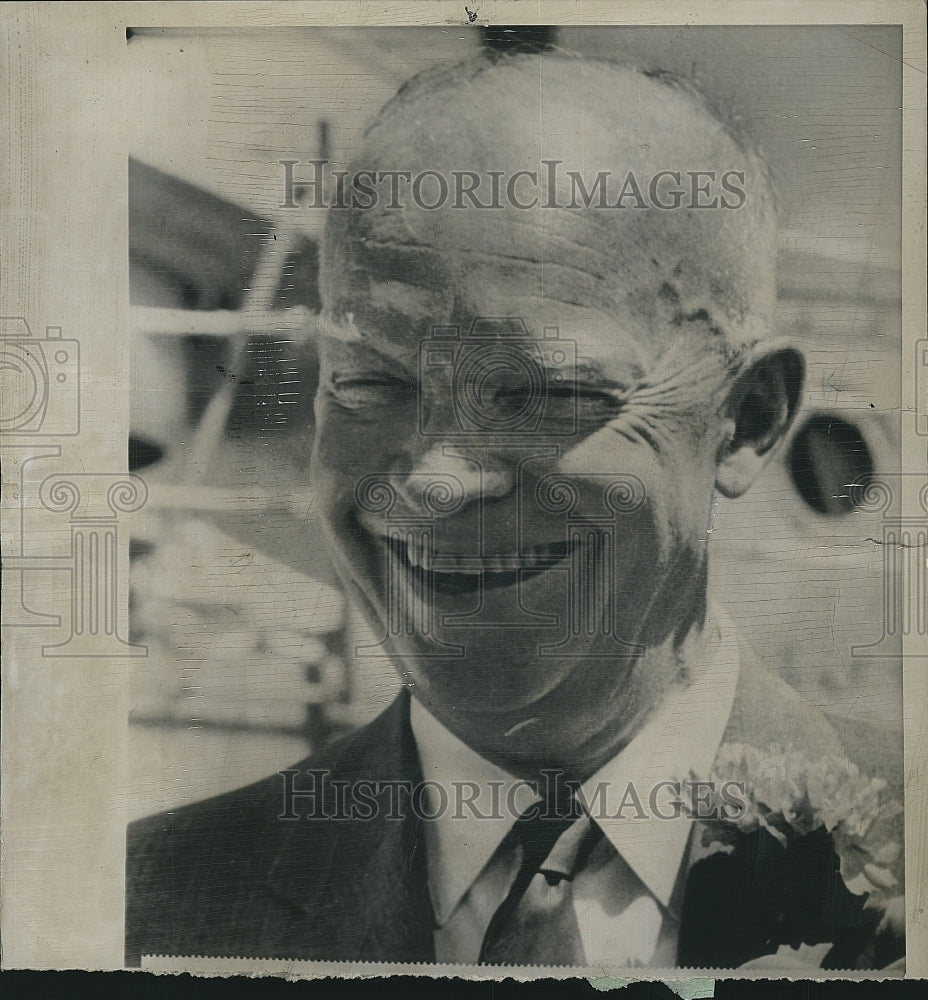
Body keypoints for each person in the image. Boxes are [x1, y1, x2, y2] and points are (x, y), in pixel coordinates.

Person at [125, 51, 904, 971]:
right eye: (372, 382)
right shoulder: (149, 907)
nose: (437, 482)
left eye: (547, 394)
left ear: (748, 420)